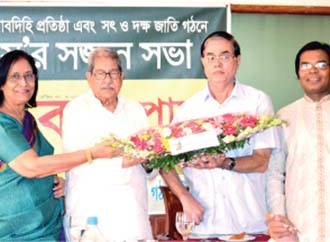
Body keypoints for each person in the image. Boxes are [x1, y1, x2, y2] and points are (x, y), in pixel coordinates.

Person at [160, 31, 279, 238]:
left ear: (237, 60)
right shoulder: (189, 110)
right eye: (211, 57)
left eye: (225, 56)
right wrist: (184, 197)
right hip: (205, 227)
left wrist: (224, 162)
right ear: (203, 62)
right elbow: (164, 161)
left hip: (249, 226)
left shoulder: (257, 102)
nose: (217, 63)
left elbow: (261, 162)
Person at [0, 50, 121, 241]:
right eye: (14, 77)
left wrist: (59, 182)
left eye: (29, 76)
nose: (23, 83)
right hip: (14, 233)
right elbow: (31, 167)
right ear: (1, 83)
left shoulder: (28, 120)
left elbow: (43, 168)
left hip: (47, 229)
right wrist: (92, 154)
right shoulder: (2, 125)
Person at [62, 47, 154, 241]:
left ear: (122, 76)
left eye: (113, 73)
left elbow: (150, 164)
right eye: (100, 74)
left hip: (133, 217)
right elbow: (78, 164)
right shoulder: (75, 110)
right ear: (89, 77)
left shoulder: (135, 109)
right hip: (92, 216)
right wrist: (129, 160)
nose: (108, 79)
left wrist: (148, 162)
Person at [266, 41, 330, 242]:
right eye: (304, 66)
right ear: (297, 73)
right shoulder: (285, 116)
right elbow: (274, 173)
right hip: (299, 225)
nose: (312, 71)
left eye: (321, 65)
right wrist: (279, 216)